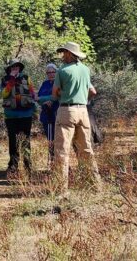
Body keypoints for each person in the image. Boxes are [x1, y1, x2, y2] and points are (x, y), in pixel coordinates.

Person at [51, 42, 101, 193]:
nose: (62, 56)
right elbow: (93, 91)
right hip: (83, 111)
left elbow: (55, 93)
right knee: (86, 148)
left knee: (62, 150)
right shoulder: (85, 70)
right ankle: (94, 185)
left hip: (67, 110)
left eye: (64, 53)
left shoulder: (62, 71)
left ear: (69, 54)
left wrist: (66, 95)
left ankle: (61, 189)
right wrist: (83, 99)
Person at [0, 58, 37, 177]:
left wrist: (35, 108)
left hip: (26, 115)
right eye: (13, 67)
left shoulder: (26, 78)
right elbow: (4, 94)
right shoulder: (5, 79)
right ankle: (13, 167)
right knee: (13, 142)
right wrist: (11, 80)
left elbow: (32, 93)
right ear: (9, 69)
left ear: (20, 68)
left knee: (26, 141)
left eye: (17, 66)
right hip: (11, 116)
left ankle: (28, 166)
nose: (15, 68)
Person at [37, 63, 59, 162]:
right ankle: (52, 160)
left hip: (57, 114)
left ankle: (59, 160)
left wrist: (49, 99)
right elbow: (37, 98)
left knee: (58, 139)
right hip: (46, 115)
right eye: (48, 72)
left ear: (56, 72)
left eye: (53, 72)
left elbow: (58, 95)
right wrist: (46, 100)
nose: (50, 74)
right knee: (50, 139)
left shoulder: (59, 83)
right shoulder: (45, 83)